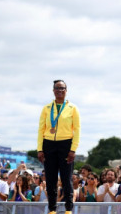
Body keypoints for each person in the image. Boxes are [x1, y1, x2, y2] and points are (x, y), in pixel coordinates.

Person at [37, 79, 81, 214]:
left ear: (66, 91)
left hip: (66, 144)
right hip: (49, 144)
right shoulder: (46, 108)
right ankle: (52, 209)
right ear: (53, 91)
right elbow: (41, 129)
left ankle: (68, 209)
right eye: (57, 88)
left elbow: (77, 129)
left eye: (62, 88)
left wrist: (73, 149)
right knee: (50, 179)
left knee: (67, 179)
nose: (59, 91)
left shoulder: (72, 108)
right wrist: (40, 149)